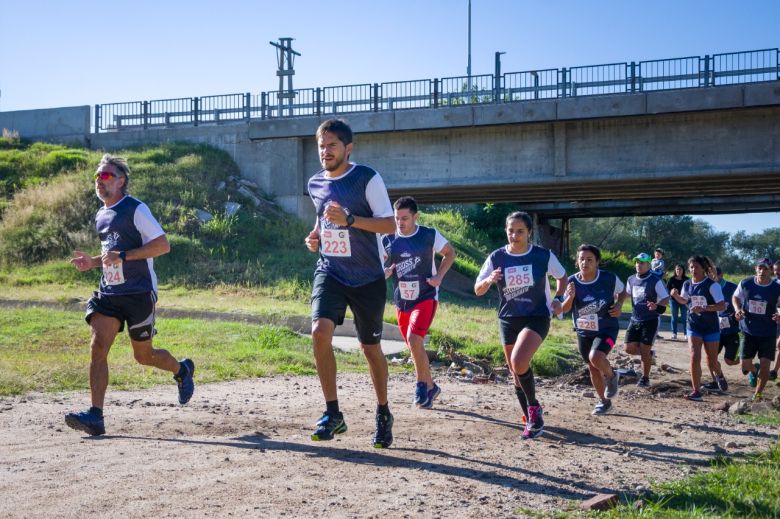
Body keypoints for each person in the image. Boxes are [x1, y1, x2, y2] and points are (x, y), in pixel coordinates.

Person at [65, 154, 194, 436]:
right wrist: (94, 263)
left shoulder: (136, 209)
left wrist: (123, 255)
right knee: (98, 347)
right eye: (97, 176)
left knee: (144, 356)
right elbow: (110, 255)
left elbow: (162, 245)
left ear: (121, 181)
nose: (100, 181)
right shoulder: (101, 214)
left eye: (106, 176)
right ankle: (95, 416)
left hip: (139, 293)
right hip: (109, 293)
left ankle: (181, 371)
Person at [304, 118, 397, 448]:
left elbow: (389, 226)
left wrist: (351, 220)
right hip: (330, 272)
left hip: (367, 278)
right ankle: (333, 413)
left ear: (348, 148)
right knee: (319, 332)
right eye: (321, 146)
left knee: (370, 349)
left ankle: (383, 412)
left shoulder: (366, 178)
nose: (325, 151)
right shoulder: (315, 183)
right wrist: (316, 237)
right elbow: (322, 218)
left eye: (331, 145)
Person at [474, 211, 566, 439]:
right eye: (510, 231)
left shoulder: (542, 256)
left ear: (529, 233)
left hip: (536, 316)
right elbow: (478, 289)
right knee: (516, 373)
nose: (514, 236)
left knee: (518, 361)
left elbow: (562, 277)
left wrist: (557, 299)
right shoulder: (497, 257)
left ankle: (534, 409)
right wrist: (489, 280)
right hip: (508, 318)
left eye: (520, 231)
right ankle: (531, 420)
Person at [383, 196, 456, 408]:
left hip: (426, 296)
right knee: (414, 346)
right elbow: (379, 262)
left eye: (405, 218)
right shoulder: (388, 238)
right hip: (402, 300)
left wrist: (439, 277)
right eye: (397, 218)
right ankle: (432, 386)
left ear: (416, 216)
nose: (400, 222)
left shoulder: (428, 235)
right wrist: (384, 271)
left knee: (415, 340)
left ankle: (420, 386)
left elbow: (450, 253)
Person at [560, 244, 627, 415]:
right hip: (584, 332)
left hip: (607, 328)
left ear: (597, 262)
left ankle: (612, 376)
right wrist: (571, 296)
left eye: (589, 259)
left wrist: (619, 304)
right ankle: (604, 403)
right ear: (577, 262)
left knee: (596, 357)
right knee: (592, 367)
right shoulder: (572, 282)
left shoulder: (608, 278)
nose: (585, 263)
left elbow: (623, 291)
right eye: (581, 259)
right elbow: (565, 309)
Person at [670, 255, 727, 401]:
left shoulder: (712, 285)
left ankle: (719, 374)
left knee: (712, 361)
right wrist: (676, 296)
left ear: (703, 269)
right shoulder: (687, 284)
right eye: (691, 267)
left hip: (710, 327)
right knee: (695, 355)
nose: (693, 269)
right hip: (693, 325)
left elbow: (721, 305)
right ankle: (696, 391)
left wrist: (704, 308)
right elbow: (685, 300)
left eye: (696, 267)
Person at [732, 258, 780, 401]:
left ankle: (758, 395)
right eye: (760, 268)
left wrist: (779, 314)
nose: (762, 271)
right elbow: (735, 297)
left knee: (766, 366)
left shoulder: (776, 288)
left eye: (765, 269)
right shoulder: (746, 283)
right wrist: (737, 309)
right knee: (745, 364)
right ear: (755, 269)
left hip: (768, 332)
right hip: (748, 330)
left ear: (771, 271)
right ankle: (754, 370)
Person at [624, 252, 669, 388]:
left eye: (642, 263)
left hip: (651, 319)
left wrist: (657, 305)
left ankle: (645, 378)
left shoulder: (655, 279)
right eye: (637, 262)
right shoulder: (631, 279)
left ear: (649, 264)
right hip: (635, 318)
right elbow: (626, 294)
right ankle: (648, 354)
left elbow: (665, 298)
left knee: (644, 349)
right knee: (629, 348)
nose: (638, 265)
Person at [700, 267, 740, 393]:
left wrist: (735, 316)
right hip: (714, 330)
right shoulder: (706, 287)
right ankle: (716, 380)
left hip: (732, 330)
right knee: (709, 357)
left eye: (713, 274)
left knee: (730, 361)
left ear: (721, 274)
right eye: (708, 274)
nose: (711, 277)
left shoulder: (732, 287)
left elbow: (741, 303)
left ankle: (746, 362)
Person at [666, 264, 689, 341]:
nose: (678, 271)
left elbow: (690, 290)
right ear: (675, 270)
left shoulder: (687, 279)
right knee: (674, 317)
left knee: (684, 317)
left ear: (683, 270)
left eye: (680, 269)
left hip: (683, 301)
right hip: (673, 301)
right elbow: (667, 289)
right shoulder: (671, 279)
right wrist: (671, 292)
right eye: (677, 269)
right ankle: (674, 333)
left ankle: (686, 334)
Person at [651, 248, 666, 339]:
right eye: (656, 254)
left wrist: (654, 269)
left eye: (659, 254)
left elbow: (659, 267)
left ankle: (655, 332)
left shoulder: (661, 262)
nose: (657, 255)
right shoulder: (652, 260)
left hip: (657, 273)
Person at [771, 260, 780, 381]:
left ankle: (774, 371)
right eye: (775, 270)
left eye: (779, 270)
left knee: (779, 344)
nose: (777, 272)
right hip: (776, 317)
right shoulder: (773, 283)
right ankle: (774, 372)